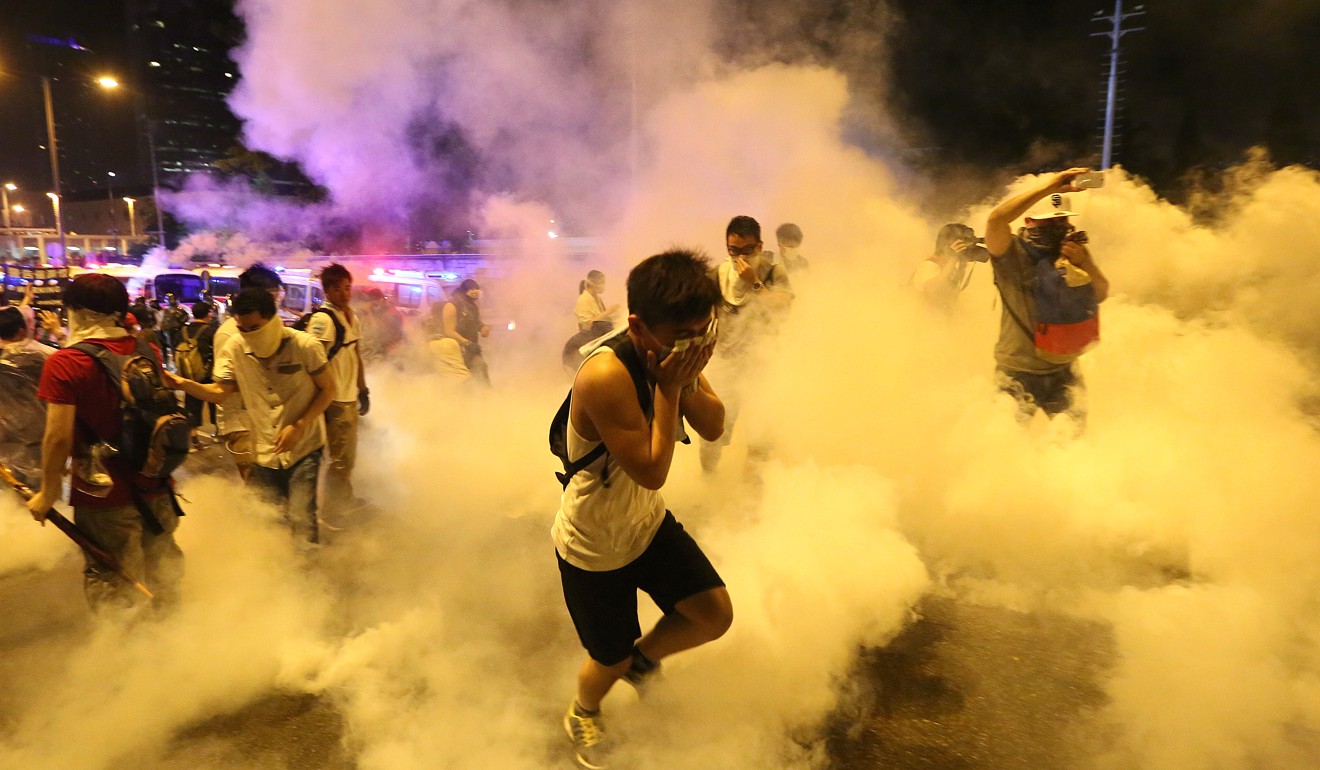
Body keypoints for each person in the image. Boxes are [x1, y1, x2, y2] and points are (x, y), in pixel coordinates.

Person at [554, 249, 732, 769]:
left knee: (713, 614)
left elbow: (715, 426)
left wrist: (687, 372)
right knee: (609, 655)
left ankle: (645, 662)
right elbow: (653, 469)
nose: (695, 345)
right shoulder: (605, 374)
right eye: (685, 336)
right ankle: (584, 710)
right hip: (595, 541)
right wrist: (674, 386)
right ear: (638, 324)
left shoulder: (676, 348)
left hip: (645, 522)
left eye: (704, 331)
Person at [25, 274, 184, 610]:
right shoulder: (146, 349)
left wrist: (48, 492)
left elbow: (57, 437)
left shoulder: (66, 363)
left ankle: (126, 658)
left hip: (104, 497)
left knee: (117, 584)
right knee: (164, 576)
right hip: (157, 485)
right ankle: (177, 644)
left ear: (78, 311)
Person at [166, 288, 334, 545]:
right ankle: (276, 571)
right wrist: (182, 383)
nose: (248, 335)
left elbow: (329, 390)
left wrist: (300, 425)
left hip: (304, 447)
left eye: (254, 327)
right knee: (265, 518)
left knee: (302, 516)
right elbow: (221, 391)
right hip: (264, 449)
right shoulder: (235, 347)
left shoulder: (305, 345)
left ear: (271, 318)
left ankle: (308, 576)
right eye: (242, 328)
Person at [984, 168, 1110, 426]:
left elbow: (1100, 292)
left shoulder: (1072, 253)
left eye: (1061, 221)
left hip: (1064, 371)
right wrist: (1049, 188)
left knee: (1074, 447)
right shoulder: (1012, 253)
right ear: (1029, 221)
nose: (1057, 226)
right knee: (1007, 449)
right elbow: (995, 221)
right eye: (1048, 221)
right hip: (1016, 373)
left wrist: (1085, 262)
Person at [700, 215, 793, 473]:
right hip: (723, 363)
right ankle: (706, 483)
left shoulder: (772, 271)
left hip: (760, 364)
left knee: (760, 432)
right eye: (733, 251)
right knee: (714, 431)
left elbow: (782, 308)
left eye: (747, 250)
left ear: (760, 246)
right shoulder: (716, 276)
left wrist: (754, 282)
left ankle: (751, 495)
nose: (739, 257)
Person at [306, 264, 369, 518]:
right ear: (327, 290)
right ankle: (333, 509)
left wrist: (363, 389)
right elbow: (313, 359)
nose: (345, 293)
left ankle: (343, 498)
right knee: (341, 456)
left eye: (347, 287)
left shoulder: (351, 316)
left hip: (348, 395)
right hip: (335, 398)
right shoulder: (323, 319)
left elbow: (356, 354)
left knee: (346, 455)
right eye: (338, 289)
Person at [212, 263, 285, 480]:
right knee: (259, 489)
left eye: (278, 295)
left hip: (267, 420)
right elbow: (224, 386)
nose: (277, 301)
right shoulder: (229, 335)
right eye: (273, 295)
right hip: (242, 423)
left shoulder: (271, 326)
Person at [0, 306, 53, 487]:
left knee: (11, 491)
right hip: (41, 433)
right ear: (22, 330)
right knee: (37, 492)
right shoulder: (46, 354)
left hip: (6, 433)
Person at [912, 223, 991, 311]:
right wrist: (953, 258)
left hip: (940, 319)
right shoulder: (929, 265)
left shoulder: (953, 267)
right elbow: (932, 289)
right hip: (922, 318)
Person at [563, 271, 620, 370]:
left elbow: (604, 319)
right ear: (593, 283)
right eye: (601, 282)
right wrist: (609, 311)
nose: (603, 285)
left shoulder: (598, 299)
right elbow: (589, 323)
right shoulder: (583, 300)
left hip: (595, 338)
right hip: (582, 344)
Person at [178, 301, 218, 443]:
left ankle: (193, 434)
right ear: (208, 313)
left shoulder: (183, 330)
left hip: (189, 372)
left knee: (192, 402)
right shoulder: (212, 331)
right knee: (214, 400)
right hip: (208, 372)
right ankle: (217, 431)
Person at [442, 279, 490, 385]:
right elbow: (448, 331)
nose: (475, 292)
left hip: (472, 350)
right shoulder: (451, 306)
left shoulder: (472, 306)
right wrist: (467, 343)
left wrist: (483, 327)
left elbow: (475, 322)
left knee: (481, 372)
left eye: (477, 290)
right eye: (472, 290)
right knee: (463, 380)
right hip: (456, 350)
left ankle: (487, 398)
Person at [160, 294, 189, 361]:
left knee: (180, 347)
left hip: (178, 331)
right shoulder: (166, 311)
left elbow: (185, 319)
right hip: (169, 332)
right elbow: (163, 323)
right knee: (173, 348)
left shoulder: (179, 310)